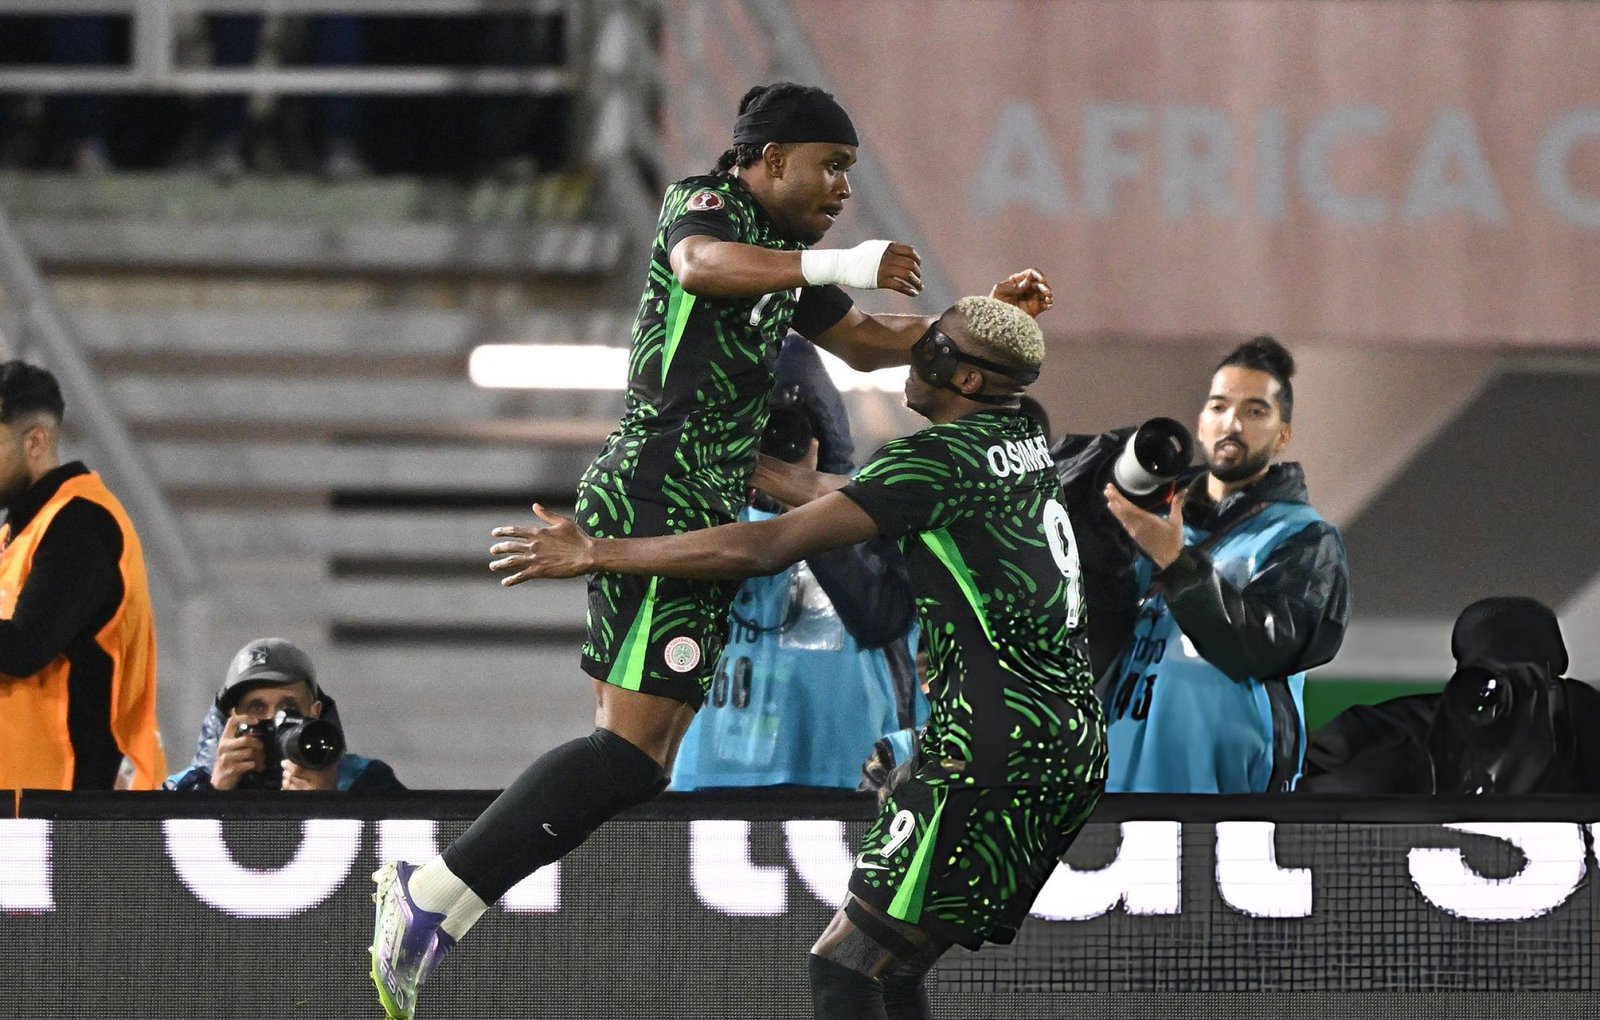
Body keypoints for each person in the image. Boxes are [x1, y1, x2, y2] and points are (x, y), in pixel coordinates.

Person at [366, 81, 1054, 1020]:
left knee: (631, 755)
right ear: (773, 160)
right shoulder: (708, 205)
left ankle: (439, 900)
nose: (843, 187)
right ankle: (434, 898)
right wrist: (841, 262)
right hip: (660, 497)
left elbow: (864, 346)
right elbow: (697, 267)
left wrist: (979, 326)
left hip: (678, 496)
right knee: (632, 758)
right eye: (833, 166)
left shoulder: (784, 259)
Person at [488, 296, 1100, 1019]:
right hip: (1067, 744)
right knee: (892, 969)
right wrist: (748, 463)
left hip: (991, 753)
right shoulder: (1019, 439)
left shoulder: (935, 461)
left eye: (932, 348)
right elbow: (852, 494)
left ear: (967, 382)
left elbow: (764, 546)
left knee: (844, 971)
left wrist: (595, 551)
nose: (913, 351)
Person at [1059, 335, 1349, 794]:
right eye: (1218, 407)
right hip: (1118, 784)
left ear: (1283, 435)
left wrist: (1175, 564)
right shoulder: (1149, 519)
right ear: (1199, 423)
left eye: (1255, 411)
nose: (1231, 423)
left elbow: (1263, 647)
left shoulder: (1305, 539)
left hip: (1227, 801)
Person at [670, 334, 926, 791]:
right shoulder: (697, 522)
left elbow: (882, 617)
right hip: (707, 780)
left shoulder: (873, 522)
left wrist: (804, 496)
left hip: (840, 777)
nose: (771, 446)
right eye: (754, 433)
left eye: (782, 432)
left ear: (823, 437)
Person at [0, 360, 166, 790]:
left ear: (35, 441)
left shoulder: (81, 523)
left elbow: (23, 648)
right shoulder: (16, 532)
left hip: (61, 810)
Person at [1300, 597, 1600, 794]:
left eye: (1535, 686)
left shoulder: (1584, 724)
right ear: (1464, 685)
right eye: (1487, 686)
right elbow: (1306, 796)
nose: (1512, 701)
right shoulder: (1393, 733)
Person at [164, 637, 403, 793]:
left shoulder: (366, 781)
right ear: (231, 718)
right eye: (256, 708)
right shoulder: (180, 790)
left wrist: (334, 806)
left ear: (315, 711)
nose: (274, 720)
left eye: (288, 708)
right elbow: (151, 865)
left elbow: (406, 866)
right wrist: (211, 794)